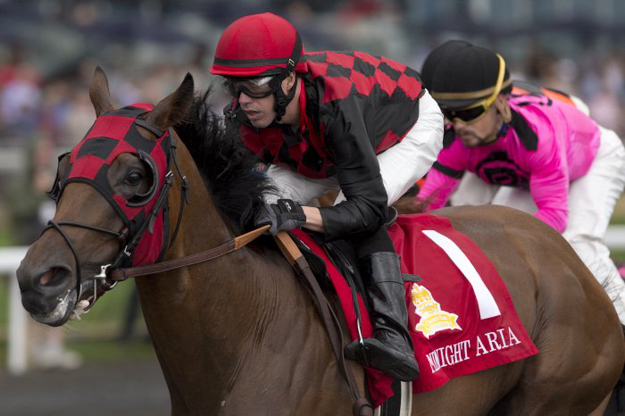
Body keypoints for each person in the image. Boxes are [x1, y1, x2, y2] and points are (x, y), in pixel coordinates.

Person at [209, 13, 443, 381]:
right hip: (323, 141)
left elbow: (366, 209)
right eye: (233, 86)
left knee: (344, 214)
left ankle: (393, 335)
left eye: (254, 86)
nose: (244, 101)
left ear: (289, 79)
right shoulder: (245, 113)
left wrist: (300, 215)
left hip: (403, 128)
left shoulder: (338, 106)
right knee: (260, 207)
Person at [416, 40, 625, 326]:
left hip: (596, 158)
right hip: (529, 176)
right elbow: (427, 205)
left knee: (577, 242)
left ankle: (621, 322)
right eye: (449, 114)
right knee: (484, 229)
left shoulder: (537, 139)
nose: (458, 124)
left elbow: (555, 217)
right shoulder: (458, 140)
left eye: (468, 112)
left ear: (500, 102)